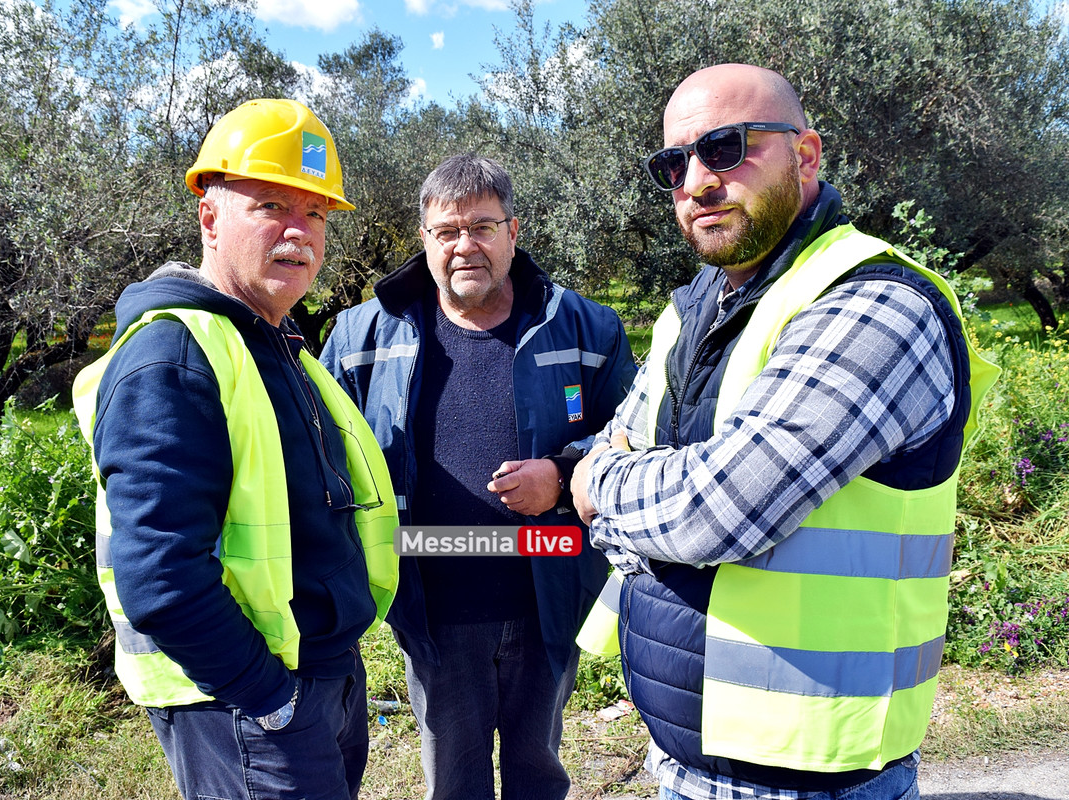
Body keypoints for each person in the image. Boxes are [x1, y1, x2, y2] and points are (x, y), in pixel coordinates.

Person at [570, 64, 1000, 800]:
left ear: (805, 156)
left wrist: (596, 483)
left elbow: (716, 509)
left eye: (725, 149)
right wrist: (634, 485)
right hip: (682, 757)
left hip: (814, 774)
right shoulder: (694, 306)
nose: (695, 181)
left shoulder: (874, 305)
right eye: (673, 164)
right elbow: (629, 443)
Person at [70, 99, 398, 800]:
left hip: (320, 675)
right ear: (210, 218)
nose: (298, 230)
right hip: (245, 705)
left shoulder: (273, 342)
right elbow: (160, 574)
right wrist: (270, 698)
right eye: (271, 205)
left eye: (316, 213)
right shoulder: (174, 353)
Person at [320, 154, 636, 800]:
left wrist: (562, 473)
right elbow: (325, 458)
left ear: (513, 233)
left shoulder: (588, 327)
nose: (465, 246)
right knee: (454, 782)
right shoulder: (360, 336)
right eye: (447, 231)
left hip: (548, 593)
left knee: (537, 774)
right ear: (425, 240)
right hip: (432, 607)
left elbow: (634, 436)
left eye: (482, 227)